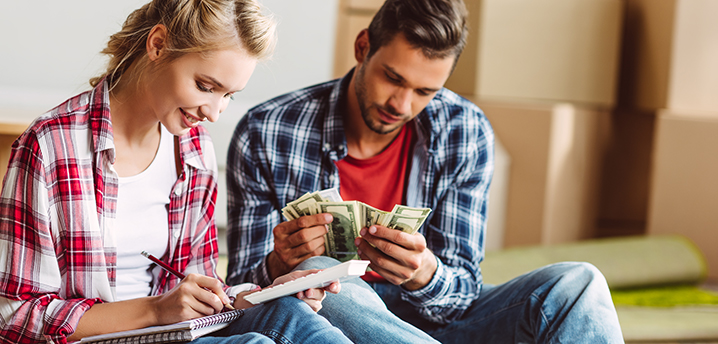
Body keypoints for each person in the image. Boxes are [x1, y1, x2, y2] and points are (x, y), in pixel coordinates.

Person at [225, 0, 626, 343]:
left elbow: (463, 292)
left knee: (579, 283)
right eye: (392, 78)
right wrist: (281, 264)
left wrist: (425, 273)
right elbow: (241, 296)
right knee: (320, 274)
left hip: (438, 322)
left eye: (424, 92)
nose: (401, 104)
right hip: (338, 320)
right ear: (363, 47)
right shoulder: (268, 130)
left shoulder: (463, 130)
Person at [0, 1, 357, 343]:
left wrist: (275, 291)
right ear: (158, 45)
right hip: (96, 339)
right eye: (206, 86)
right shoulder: (50, 145)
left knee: (294, 316)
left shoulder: (194, 148)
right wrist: (156, 310)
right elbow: (13, 314)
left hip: (177, 335)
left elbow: (202, 292)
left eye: (229, 95)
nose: (214, 112)